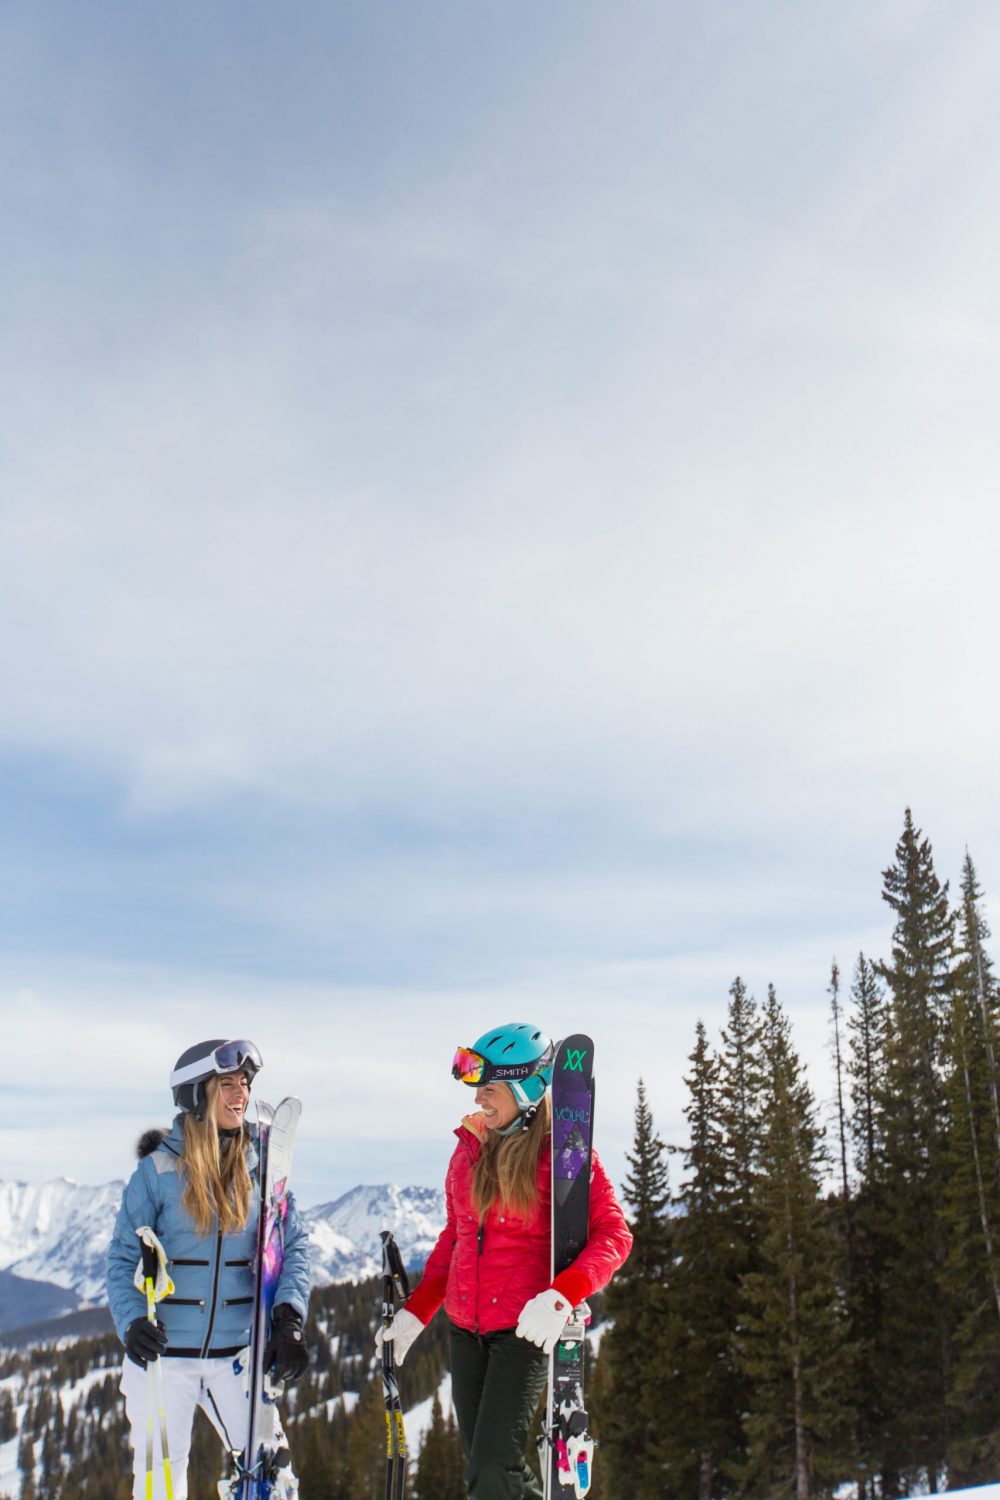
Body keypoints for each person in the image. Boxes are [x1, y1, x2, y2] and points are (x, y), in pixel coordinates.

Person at [377, 1022, 632, 1500]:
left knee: (494, 1469)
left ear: (527, 1090)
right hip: (464, 1330)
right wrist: (417, 1312)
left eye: (489, 1089)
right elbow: (455, 1240)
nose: (479, 1101)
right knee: (488, 1470)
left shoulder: (567, 1156)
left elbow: (615, 1235)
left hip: (523, 1330)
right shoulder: (468, 1151)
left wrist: (563, 1295)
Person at [107, 1038, 312, 1500]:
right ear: (197, 1093)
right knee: (160, 1486)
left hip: (237, 1356)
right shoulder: (158, 1172)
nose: (240, 1094)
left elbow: (293, 1244)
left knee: (273, 1482)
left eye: (244, 1083)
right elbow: (123, 1256)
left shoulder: (262, 1166)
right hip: (164, 1359)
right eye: (227, 1084)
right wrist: (131, 1322)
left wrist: (289, 1319)